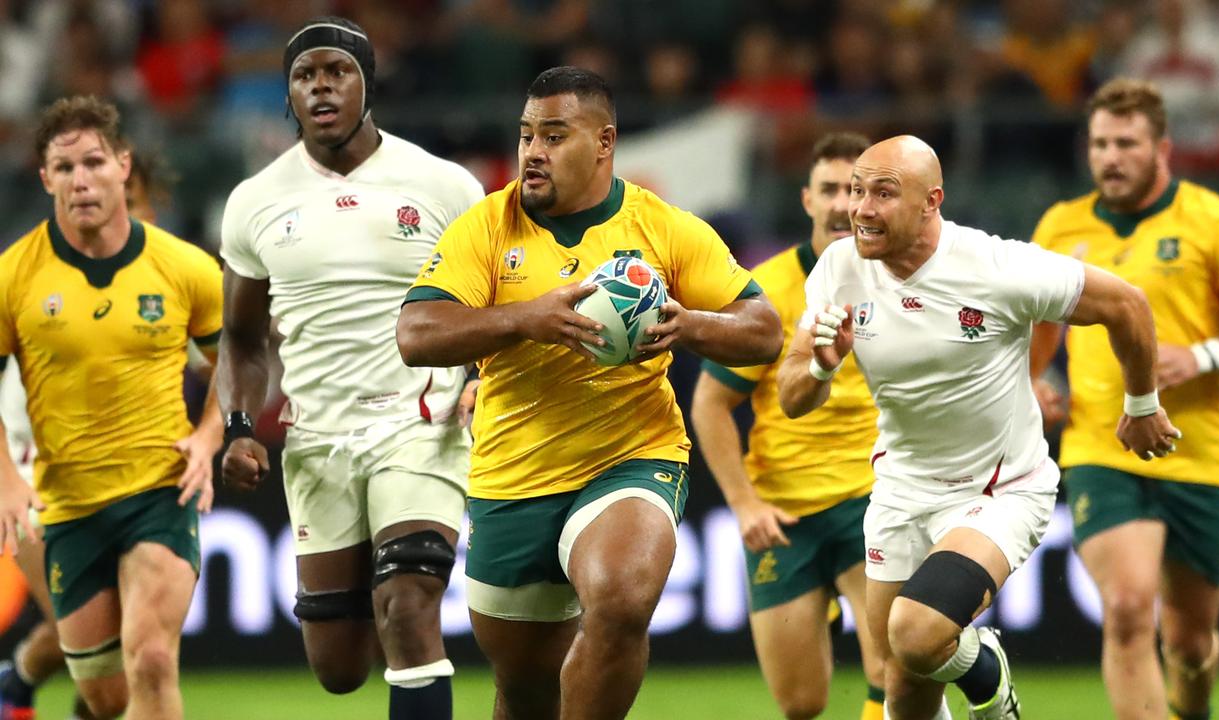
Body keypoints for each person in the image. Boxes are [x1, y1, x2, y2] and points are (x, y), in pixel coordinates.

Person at [396, 66, 782, 720]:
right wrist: (526, 319)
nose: (532, 152)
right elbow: (416, 332)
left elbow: (764, 329)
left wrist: (690, 324)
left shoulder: (662, 227)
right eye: (525, 136)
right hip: (512, 475)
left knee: (622, 601)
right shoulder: (488, 227)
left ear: (604, 143)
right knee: (524, 690)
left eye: (553, 135)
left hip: (633, 454)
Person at [775, 135, 1179, 720]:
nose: (859, 209)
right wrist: (819, 364)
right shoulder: (840, 269)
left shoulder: (996, 267)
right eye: (857, 191)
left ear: (931, 201)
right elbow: (792, 397)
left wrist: (1142, 404)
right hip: (901, 490)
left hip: (1000, 489)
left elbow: (1127, 306)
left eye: (883, 193)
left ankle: (984, 667)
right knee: (902, 679)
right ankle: (974, 670)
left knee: (913, 634)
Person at [217, 16, 483, 720]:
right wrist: (239, 424)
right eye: (305, 76)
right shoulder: (254, 202)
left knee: (407, 604)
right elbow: (242, 340)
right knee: (338, 669)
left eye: (338, 71)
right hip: (317, 441)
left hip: (418, 424)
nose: (321, 86)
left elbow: (493, 297)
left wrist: (483, 376)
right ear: (288, 95)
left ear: (368, 84)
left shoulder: (443, 184)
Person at [1029, 78, 1219, 720]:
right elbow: (1033, 321)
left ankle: (1192, 705)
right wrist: (1033, 378)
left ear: (1162, 148)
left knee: (1191, 641)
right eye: (1099, 144)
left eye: (1126, 144)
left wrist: (1202, 356)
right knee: (1128, 609)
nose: (1110, 157)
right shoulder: (1062, 225)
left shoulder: (1214, 220)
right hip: (1102, 445)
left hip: (1202, 452)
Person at [0, 94, 223, 720]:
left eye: (94, 163)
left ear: (123, 165)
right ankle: (21, 680)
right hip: (66, 504)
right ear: (45, 178)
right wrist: (7, 480)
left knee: (152, 659)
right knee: (105, 695)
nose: (82, 180)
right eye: (65, 168)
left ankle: (15, 683)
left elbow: (236, 358)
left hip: (160, 492)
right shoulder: (14, 275)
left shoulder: (184, 267)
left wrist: (210, 436)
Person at [689, 131, 885, 720]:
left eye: (854, 190)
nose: (840, 203)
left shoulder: (900, 281)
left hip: (871, 498)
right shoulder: (767, 293)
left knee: (892, 669)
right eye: (829, 189)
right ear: (806, 200)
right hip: (786, 513)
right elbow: (710, 404)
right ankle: (819, 603)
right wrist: (745, 505)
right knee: (802, 703)